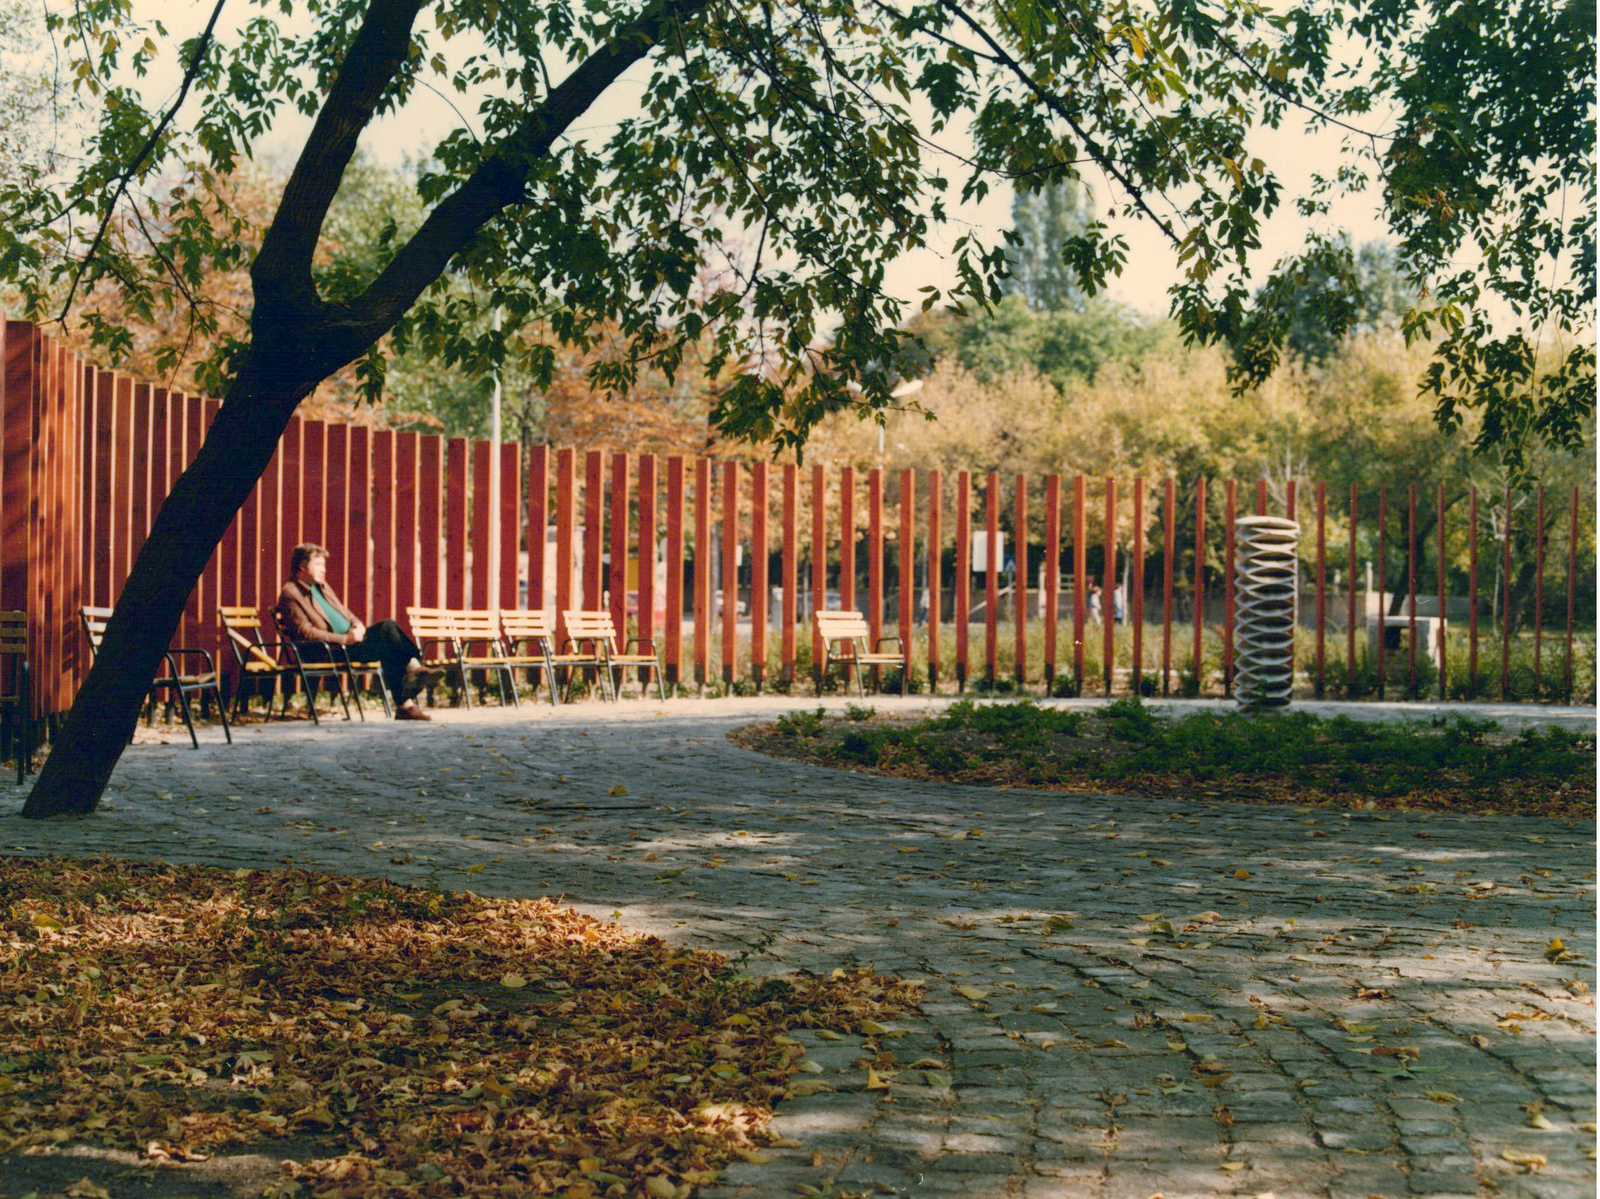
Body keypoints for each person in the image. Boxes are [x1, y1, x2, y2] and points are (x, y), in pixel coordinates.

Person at [274, 543, 443, 721]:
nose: (323, 570)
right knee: (386, 630)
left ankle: (409, 691)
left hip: (347, 643)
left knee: (388, 633)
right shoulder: (291, 594)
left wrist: (358, 625)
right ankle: (410, 683)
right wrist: (344, 638)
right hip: (326, 650)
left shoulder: (321, 586)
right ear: (302, 566)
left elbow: (345, 613)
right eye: (318, 565)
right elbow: (306, 633)